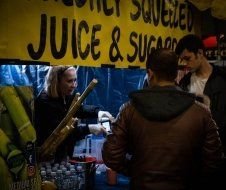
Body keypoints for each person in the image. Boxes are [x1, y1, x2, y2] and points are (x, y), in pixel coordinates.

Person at [102, 48, 223, 189]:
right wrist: (190, 177)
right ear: (176, 73)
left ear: (150, 73)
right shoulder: (200, 111)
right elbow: (214, 160)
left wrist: (136, 170)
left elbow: (112, 155)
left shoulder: (129, 110)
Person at [175, 34, 226, 186]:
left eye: (187, 58)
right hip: (191, 156)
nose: (185, 63)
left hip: (217, 155)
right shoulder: (184, 83)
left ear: (200, 53)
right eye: (182, 59)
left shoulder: (222, 80)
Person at [35, 66, 113, 162]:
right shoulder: (44, 103)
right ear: (56, 82)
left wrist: (98, 112)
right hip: (48, 157)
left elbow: (79, 109)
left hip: (65, 153)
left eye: (75, 80)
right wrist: (89, 128)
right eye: (69, 81)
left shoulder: (66, 96)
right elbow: (61, 133)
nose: (74, 85)